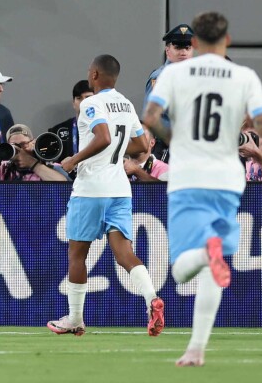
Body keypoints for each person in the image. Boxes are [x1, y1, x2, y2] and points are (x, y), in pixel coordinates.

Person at [143, 11, 262, 368]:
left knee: (180, 269)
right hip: (227, 179)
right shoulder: (244, 76)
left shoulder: (174, 73)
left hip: (188, 176)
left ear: (196, 43)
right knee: (211, 267)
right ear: (228, 41)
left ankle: (206, 255)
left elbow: (151, 118)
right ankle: (196, 348)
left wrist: (180, 140)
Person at [48, 55, 164, 338]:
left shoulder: (91, 103)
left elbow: (103, 137)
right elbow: (139, 145)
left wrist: (73, 160)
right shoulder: (125, 104)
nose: (89, 74)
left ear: (96, 74)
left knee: (77, 254)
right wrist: (120, 154)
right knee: (125, 254)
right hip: (120, 189)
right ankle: (152, 299)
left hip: (91, 190)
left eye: (90, 70)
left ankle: (75, 318)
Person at [0, 125, 68, 182]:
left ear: (33, 143)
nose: (20, 150)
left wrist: (32, 164)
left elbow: (66, 186)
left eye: (24, 144)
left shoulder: (50, 167)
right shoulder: (4, 169)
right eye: (14, 146)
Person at [46, 80, 95, 162]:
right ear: (73, 103)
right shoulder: (57, 131)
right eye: (79, 98)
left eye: (88, 98)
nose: (83, 103)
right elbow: (48, 159)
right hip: (66, 174)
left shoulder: (107, 127)